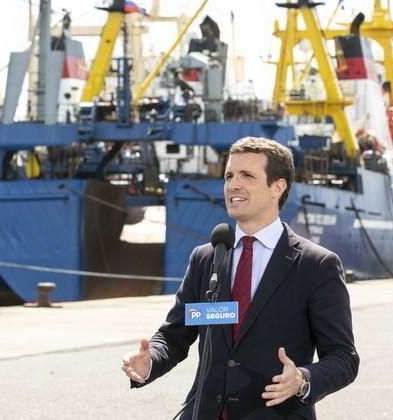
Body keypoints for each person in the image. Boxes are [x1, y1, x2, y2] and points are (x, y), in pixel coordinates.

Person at [121, 137, 359, 419]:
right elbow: (175, 335)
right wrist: (150, 361)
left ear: (277, 187)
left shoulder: (316, 265)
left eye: (247, 176)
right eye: (229, 176)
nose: (233, 185)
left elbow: (344, 358)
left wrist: (302, 379)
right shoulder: (206, 257)